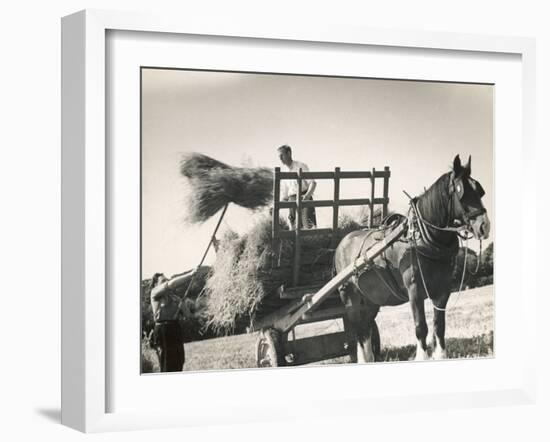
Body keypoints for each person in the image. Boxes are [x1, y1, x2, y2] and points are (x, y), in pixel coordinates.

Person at [149, 270, 195, 372]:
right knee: (167, 364)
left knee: (179, 361)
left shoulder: (175, 298)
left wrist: (183, 305)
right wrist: (191, 275)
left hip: (175, 329)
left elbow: (188, 315)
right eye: (163, 281)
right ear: (156, 285)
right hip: (163, 330)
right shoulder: (155, 294)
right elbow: (171, 284)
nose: (166, 282)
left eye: (166, 280)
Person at [277, 144, 317, 229]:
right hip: (292, 202)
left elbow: (312, 183)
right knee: (294, 231)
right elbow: (285, 197)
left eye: (282, 155)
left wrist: (306, 197)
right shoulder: (284, 173)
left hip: (304, 198)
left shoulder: (301, 166)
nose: (280, 158)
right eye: (279, 156)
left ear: (289, 153)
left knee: (309, 229)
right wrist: (276, 207)